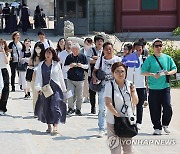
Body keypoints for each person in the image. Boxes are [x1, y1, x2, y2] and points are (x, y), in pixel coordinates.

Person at [141, 38, 177, 135]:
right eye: (156, 46)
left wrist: (168, 73)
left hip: (165, 87)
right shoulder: (149, 59)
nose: (159, 47)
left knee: (167, 106)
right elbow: (143, 72)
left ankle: (165, 124)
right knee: (154, 108)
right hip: (153, 89)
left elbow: (175, 69)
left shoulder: (167, 58)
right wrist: (152, 74)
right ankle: (157, 127)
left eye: (160, 45)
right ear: (153, 48)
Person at [105, 62, 138, 154]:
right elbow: (108, 103)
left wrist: (133, 92)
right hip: (113, 121)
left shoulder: (130, 84)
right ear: (113, 73)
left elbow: (135, 102)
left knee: (128, 150)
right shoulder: (109, 85)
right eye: (117, 71)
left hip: (127, 121)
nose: (120, 74)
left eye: (122, 71)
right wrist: (118, 117)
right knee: (115, 150)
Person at [35, 47, 67, 136]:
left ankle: (55, 126)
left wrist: (64, 90)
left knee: (55, 105)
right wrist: (38, 88)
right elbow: (38, 77)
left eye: (50, 53)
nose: (48, 55)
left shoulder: (56, 65)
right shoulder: (41, 65)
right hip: (45, 89)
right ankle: (49, 125)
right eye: (46, 53)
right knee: (46, 107)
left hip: (56, 88)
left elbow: (60, 77)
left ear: (53, 55)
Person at [92, 42, 122, 137]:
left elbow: (123, 72)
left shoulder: (117, 59)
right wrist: (94, 77)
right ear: (103, 50)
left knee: (117, 107)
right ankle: (101, 128)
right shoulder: (100, 60)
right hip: (104, 86)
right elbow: (94, 71)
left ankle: (117, 128)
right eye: (106, 49)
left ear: (113, 49)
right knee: (102, 108)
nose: (109, 51)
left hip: (116, 86)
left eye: (110, 49)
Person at [126, 41, 147, 130]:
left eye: (140, 50)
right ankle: (129, 119)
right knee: (129, 103)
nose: (138, 51)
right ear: (134, 49)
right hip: (130, 84)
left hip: (141, 85)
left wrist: (147, 86)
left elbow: (146, 74)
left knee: (139, 104)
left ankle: (139, 122)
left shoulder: (145, 59)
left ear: (142, 50)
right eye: (136, 49)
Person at [64, 43, 88, 116]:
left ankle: (78, 109)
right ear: (71, 50)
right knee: (70, 94)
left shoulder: (83, 56)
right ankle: (71, 108)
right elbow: (64, 68)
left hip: (80, 79)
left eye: (76, 50)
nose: (75, 51)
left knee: (79, 96)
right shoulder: (69, 57)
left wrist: (81, 66)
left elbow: (87, 66)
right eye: (73, 50)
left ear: (79, 50)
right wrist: (69, 66)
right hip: (70, 79)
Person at [86, 35, 104, 114]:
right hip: (92, 73)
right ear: (95, 42)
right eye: (98, 41)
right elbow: (88, 60)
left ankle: (102, 107)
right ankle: (93, 107)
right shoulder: (91, 49)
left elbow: (105, 60)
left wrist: (96, 58)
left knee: (102, 91)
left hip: (102, 74)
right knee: (92, 91)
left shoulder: (104, 50)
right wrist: (98, 59)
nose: (99, 43)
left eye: (101, 41)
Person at [28, 42, 45, 113]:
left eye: (39, 48)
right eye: (36, 48)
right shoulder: (33, 57)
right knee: (35, 96)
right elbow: (29, 66)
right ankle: (36, 111)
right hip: (34, 79)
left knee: (43, 96)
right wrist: (35, 68)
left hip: (43, 79)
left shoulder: (45, 57)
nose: (37, 49)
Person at [80, 38, 93, 103]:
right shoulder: (81, 50)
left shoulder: (92, 50)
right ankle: (86, 96)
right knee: (85, 83)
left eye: (89, 44)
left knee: (90, 83)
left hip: (91, 68)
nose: (87, 45)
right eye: (86, 43)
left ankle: (91, 96)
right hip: (83, 68)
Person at [0, 39, 10, 115]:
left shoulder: (7, 53)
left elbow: (7, 61)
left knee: (5, 89)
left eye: (2, 44)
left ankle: (3, 107)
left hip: (4, 70)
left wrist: (3, 51)